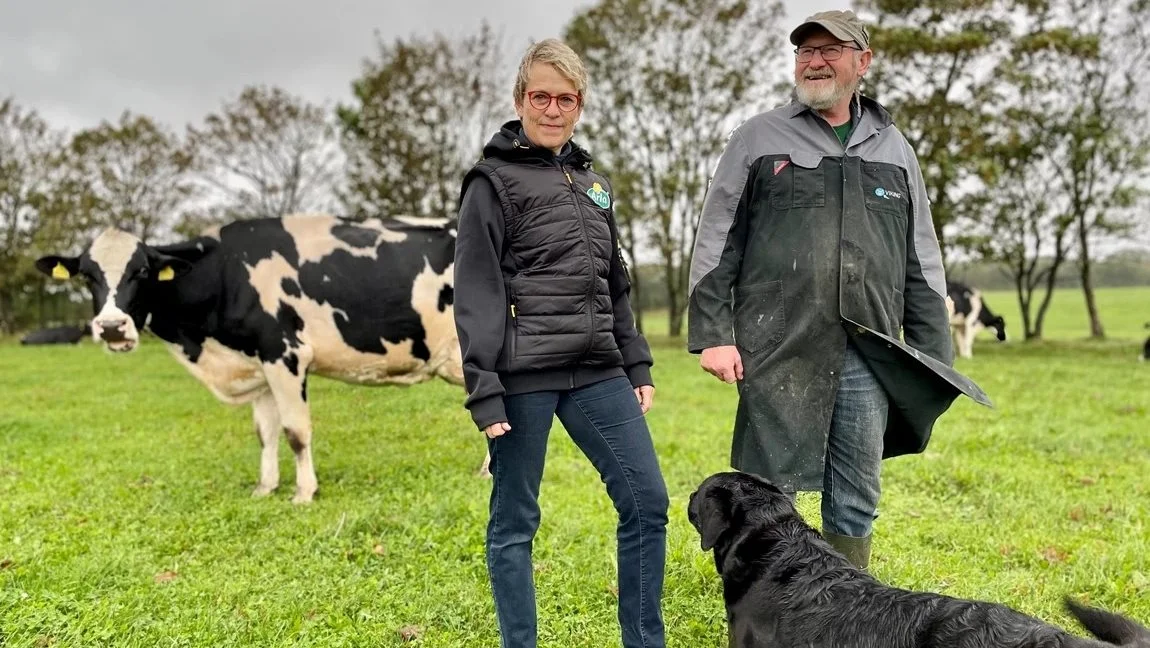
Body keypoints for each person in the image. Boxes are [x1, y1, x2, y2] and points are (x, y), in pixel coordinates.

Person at [686, 10, 990, 570]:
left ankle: (845, 596)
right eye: (806, 51)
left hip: (868, 347)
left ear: (863, 62)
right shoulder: (757, 138)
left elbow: (921, 257)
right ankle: (767, 598)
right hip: (776, 344)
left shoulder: (894, 148)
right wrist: (712, 333)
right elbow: (716, 238)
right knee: (769, 489)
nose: (816, 60)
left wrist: (933, 353)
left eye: (831, 49)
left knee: (856, 490)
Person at [453, 38, 669, 648]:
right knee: (515, 522)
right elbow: (475, 293)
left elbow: (615, 283)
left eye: (565, 98)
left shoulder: (592, 183)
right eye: (540, 96)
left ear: (580, 105)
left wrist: (638, 363)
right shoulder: (490, 184)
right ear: (520, 100)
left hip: (598, 370)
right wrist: (484, 390)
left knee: (647, 502)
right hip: (523, 378)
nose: (552, 109)